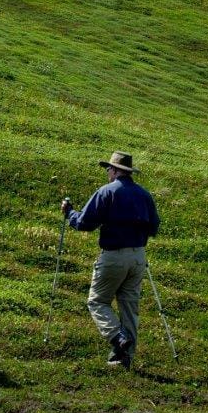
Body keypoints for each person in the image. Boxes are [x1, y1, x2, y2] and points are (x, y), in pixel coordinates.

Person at [62, 151, 160, 369]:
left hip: (114, 255)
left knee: (97, 302)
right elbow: (154, 227)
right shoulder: (145, 195)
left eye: (108, 169)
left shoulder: (107, 192)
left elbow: (85, 223)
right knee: (129, 307)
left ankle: (118, 338)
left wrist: (69, 213)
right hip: (138, 256)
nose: (107, 173)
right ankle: (124, 358)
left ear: (116, 171)